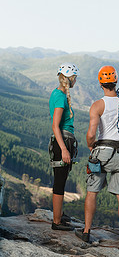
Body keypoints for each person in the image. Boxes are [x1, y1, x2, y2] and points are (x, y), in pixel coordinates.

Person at [75, 65, 119, 248]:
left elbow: (91, 133)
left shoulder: (97, 105)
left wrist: (91, 146)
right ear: (116, 81)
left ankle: (87, 232)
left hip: (103, 152)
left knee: (92, 191)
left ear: (100, 83)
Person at [49, 63, 79, 230]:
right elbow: (55, 125)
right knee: (60, 181)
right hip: (62, 142)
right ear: (70, 78)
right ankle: (56, 222)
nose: (76, 81)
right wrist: (65, 149)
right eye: (75, 78)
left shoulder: (56, 93)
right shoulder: (60, 97)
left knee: (60, 179)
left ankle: (58, 214)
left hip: (61, 141)